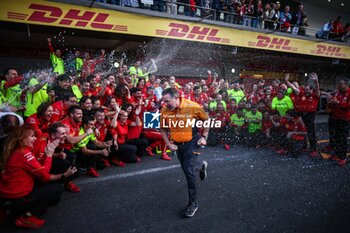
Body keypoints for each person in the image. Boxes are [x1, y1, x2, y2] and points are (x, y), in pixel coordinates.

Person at [0, 125, 76, 229]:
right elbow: (45, 175)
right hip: (17, 198)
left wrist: (53, 155)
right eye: (32, 136)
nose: (35, 138)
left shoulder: (20, 150)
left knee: (54, 198)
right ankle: (24, 216)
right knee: (57, 189)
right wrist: (63, 174)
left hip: (12, 193)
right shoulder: (24, 153)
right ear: (22, 138)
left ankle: (15, 210)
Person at [160, 88, 209, 218]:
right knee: (188, 169)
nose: (165, 104)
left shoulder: (192, 106)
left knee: (188, 171)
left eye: (167, 101)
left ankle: (193, 204)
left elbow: (206, 119)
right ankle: (201, 165)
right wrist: (169, 144)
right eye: (164, 101)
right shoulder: (164, 110)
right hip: (177, 145)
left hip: (192, 142)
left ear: (176, 97)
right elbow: (163, 129)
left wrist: (204, 136)